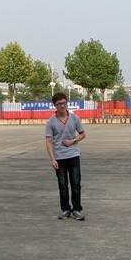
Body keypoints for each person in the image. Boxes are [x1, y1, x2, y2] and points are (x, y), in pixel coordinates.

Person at [45, 92, 86, 221]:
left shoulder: (74, 118)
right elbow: (48, 142)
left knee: (76, 183)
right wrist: (53, 159)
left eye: (63, 103)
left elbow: (82, 134)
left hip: (73, 155)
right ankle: (66, 209)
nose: (62, 106)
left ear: (66, 103)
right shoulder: (51, 122)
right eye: (59, 104)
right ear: (55, 106)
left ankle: (77, 209)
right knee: (62, 185)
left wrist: (73, 141)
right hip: (59, 157)